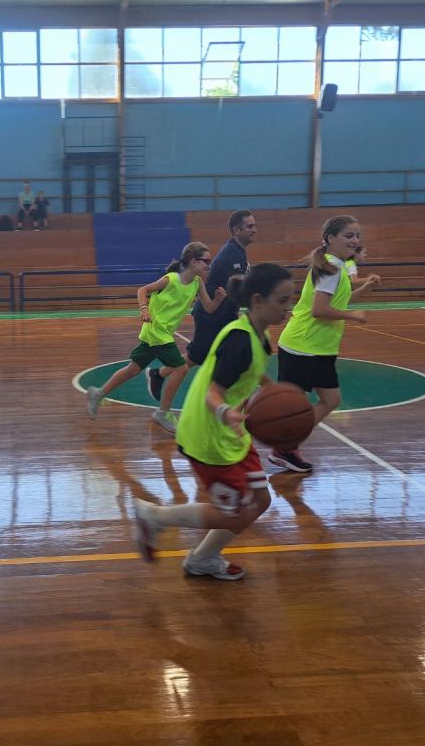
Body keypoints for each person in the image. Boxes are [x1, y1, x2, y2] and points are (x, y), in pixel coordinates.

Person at [132, 263, 295, 581]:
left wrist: (275, 393)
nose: (288, 308)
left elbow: (252, 372)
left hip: (230, 431)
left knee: (261, 500)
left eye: (290, 300)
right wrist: (227, 413)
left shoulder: (258, 333)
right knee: (232, 514)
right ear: (258, 301)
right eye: (282, 300)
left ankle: (203, 559)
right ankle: (154, 516)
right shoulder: (239, 340)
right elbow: (213, 393)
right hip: (208, 433)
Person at [273, 215, 379, 473]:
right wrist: (352, 316)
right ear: (331, 238)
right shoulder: (331, 268)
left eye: (357, 236)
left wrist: (362, 291)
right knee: (295, 407)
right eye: (349, 235)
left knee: (330, 400)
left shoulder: (336, 267)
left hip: (318, 348)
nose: (355, 240)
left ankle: (287, 445)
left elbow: (336, 301)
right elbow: (320, 310)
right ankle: (282, 447)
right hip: (303, 346)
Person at [85, 242, 226, 433]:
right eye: (206, 261)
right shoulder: (171, 279)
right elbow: (142, 290)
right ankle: (163, 412)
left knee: (133, 369)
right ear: (193, 262)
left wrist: (218, 300)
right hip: (156, 332)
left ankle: (98, 393)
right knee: (181, 368)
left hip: (160, 334)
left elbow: (209, 308)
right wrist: (143, 308)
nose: (209, 265)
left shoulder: (197, 283)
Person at [187, 210, 257, 367]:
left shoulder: (238, 252)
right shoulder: (230, 254)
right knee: (196, 358)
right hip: (211, 315)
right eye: (250, 226)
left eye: (254, 226)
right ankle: (158, 374)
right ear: (237, 230)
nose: (254, 230)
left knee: (235, 355)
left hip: (224, 314)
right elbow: (238, 289)